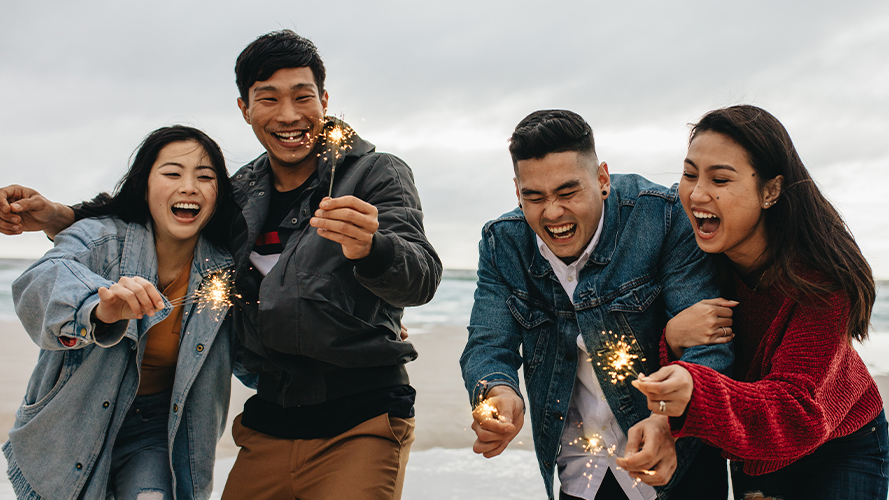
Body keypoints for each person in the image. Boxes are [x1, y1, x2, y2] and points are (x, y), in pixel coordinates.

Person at [0, 30, 441, 500]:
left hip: (363, 415)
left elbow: (421, 278)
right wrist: (66, 218)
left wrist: (373, 248)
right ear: (244, 109)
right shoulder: (242, 190)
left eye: (302, 96)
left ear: (325, 99)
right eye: (268, 98)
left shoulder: (375, 174)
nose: (289, 115)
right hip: (269, 419)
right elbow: (157, 221)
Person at [459, 109, 734, 500]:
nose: (552, 213)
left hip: (678, 458)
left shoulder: (663, 216)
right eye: (534, 197)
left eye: (568, 193)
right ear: (517, 192)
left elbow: (709, 345)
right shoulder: (503, 243)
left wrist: (668, 422)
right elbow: (488, 345)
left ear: (602, 179)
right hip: (580, 469)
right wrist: (497, 394)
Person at [633, 105, 889, 499]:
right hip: (752, 448)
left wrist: (693, 389)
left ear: (770, 191)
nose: (697, 193)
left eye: (719, 178)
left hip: (839, 443)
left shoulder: (822, 277)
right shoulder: (693, 252)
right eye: (688, 174)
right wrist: (673, 336)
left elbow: (796, 410)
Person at [4, 126, 242, 499]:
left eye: (205, 177)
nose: (190, 186)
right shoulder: (100, 238)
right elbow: (40, 280)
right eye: (172, 173)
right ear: (144, 186)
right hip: (69, 425)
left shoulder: (224, 272)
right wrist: (97, 309)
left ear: (218, 194)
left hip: (157, 431)